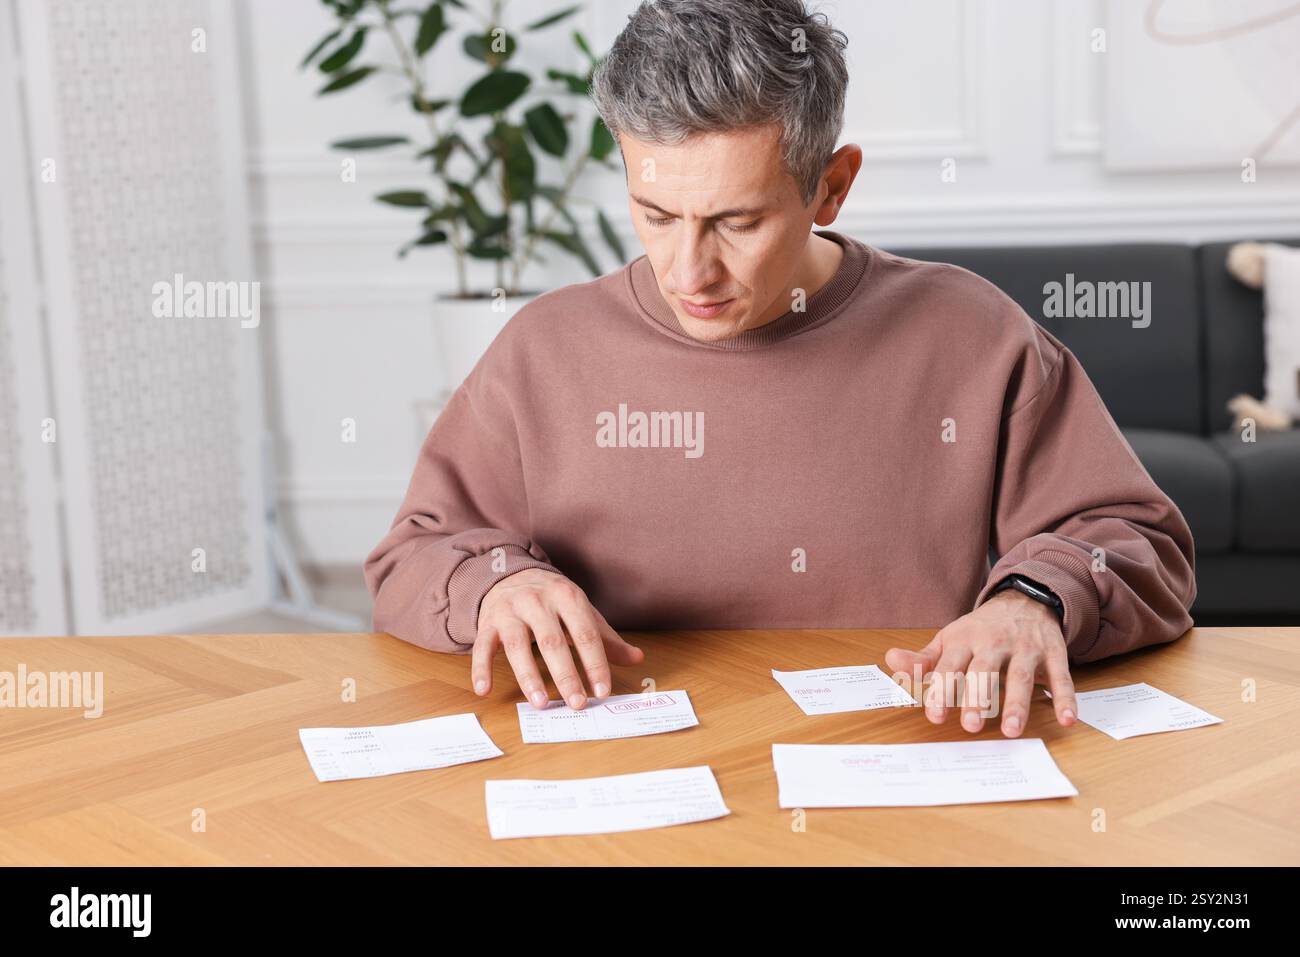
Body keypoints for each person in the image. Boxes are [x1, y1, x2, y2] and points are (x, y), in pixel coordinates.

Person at [365, 0, 1196, 738]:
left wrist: (1034, 599)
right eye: (655, 214)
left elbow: (1139, 543)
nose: (687, 270)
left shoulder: (971, 333)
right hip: (627, 785)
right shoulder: (544, 348)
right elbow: (414, 556)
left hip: (897, 764)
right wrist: (495, 586)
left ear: (831, 187)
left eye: (736, 221)